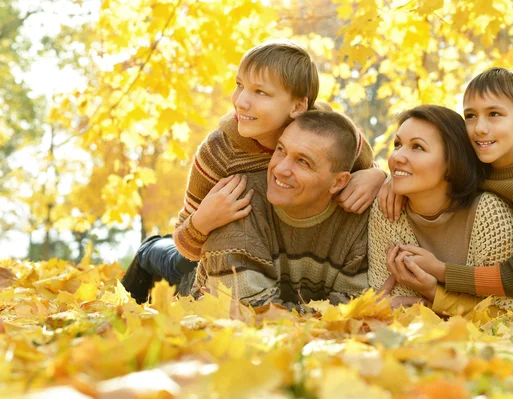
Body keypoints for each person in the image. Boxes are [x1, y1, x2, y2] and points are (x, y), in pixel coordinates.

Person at [121, 40, 385, 304]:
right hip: (207, 252)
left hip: (270, 254)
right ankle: (147, 251)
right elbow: (186, 244)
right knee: (172, 261)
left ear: (297, 107)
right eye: (239, 85)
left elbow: (362, 170)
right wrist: (205, 219)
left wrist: (376, 176)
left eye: (260, 92)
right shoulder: (218, 153)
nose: (241, 101)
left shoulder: (332, 135)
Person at [377, 68, 513, 304]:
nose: (479, 128)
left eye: (494, 114)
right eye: (470, 116)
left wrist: (441, 270)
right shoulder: (476, 151)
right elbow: (423, 164)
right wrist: (389, 179)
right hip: (476, 259)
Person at [369, 105, 513, 316]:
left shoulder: (490, 215)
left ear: (452, 163)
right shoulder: (386, 210)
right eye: (398, 144)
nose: (397, 157)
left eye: (417, 147)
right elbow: (385, 296)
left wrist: (432, 297)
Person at [191, 110, 371, 307]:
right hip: (190, 280)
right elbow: (249, 311)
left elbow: (354, 308)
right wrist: (318, 318)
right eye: (281, 150)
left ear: (338, 182)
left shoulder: (364, 219)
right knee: (163, 259)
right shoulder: (235, 202)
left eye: (303, 161)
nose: (280, 169)